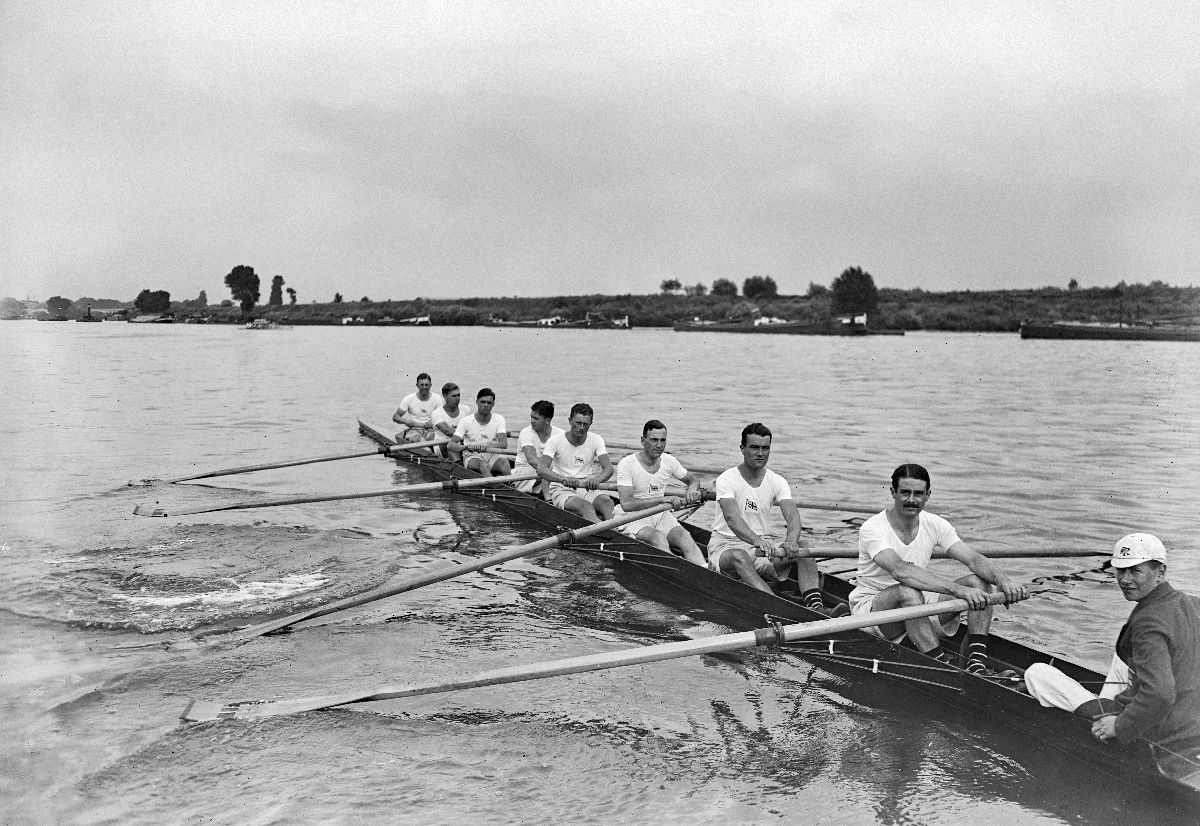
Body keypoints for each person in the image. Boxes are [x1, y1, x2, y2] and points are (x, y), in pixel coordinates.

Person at [1024, 534, 1200, 759]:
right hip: (1191, 726)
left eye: (1135, 571)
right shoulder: (1193, 604)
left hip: (1156, 731)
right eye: (1120, 570)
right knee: (1123, 653)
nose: (1125, 580)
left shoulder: (1149, 620)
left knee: (1036, 673)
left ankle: (1104, 716)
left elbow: (1161, 695)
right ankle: (1103, 704)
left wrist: (1120, 726)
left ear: (1161, 572)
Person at [849, 463, 1027, 673]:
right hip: (872, 611)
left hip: (916, 601)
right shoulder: (873, 528)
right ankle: (942, 667)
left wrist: (1003, 581)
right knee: (909, 591)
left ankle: (976, 663)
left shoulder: (935, 523)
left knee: (978, 582)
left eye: (918, 494)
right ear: (893, 493)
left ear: (928, 495)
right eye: (905, 492)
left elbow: (973, 559)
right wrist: (957, 590)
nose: (912, 500)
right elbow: (900, 571)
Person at [708, 423, 830, 609]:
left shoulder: (777, 481)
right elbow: (733, 520)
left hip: (759, 550)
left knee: (805, 547)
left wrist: (790, 541)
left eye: (765, 448)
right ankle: (778, 608)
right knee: (740, 556)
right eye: (754, 447)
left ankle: (816, 607)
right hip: (725, 547)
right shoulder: (727, 478)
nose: (760, 453)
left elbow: (793, 516)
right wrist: (757, 540)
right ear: (742, 449)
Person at [613, 420, 705, 566]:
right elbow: (626, 504)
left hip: (660, 514)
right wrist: (662, 500)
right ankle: (677, 572)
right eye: (654, 440)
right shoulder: (627, 464)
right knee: (658, 537)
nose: (659, 445)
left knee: (685, 537)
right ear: (643, 441)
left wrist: (693, 489)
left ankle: (704, 571)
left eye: (663, 440)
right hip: (632, 517)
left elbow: (692, 479)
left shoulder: (668, 461)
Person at [538, 402, 615, 522]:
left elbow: (609, 469)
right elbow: (541, 469)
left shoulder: (596, 439)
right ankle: (608, 535)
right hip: (561, 487)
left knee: (608, 503)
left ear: (591, 424)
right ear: (570, 421)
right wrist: (562, 479)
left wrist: (597, 480)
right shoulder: (555, 441)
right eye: (578, 423)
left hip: (586, 486)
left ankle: (617, 531)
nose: (582, 428)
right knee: (585, 506)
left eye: (586, 424)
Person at [449, 388, 511, 476]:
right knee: (484, 465)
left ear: (493, 404)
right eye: (483, 402)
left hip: (491, 453)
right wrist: (467, 447)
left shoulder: (499, 419)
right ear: (477, 402)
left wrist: (485, 446)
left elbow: (504, 444)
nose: (486, 405)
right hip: (472, 455)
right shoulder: (466, 421)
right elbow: (451, 445)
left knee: (504, 463)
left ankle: (512, 486)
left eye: (489, 403)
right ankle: (493, 487)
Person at [511, 400, 563, 497]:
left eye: (536, 418)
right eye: (531, 417)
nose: (532, 421)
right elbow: (532, 461)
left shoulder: (560, 434)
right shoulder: (526, 432)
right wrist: (561, 477)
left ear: (547, 420)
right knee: (550, 468)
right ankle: (548, 496)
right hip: (524, 474)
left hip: (549, 474)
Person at [392, 373, 443, 446]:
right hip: (414, 430)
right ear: (417, 385)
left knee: (436, 441)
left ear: (430, 385)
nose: (424, 387)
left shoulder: (437, 398)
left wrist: (433, 421)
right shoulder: (409, 399)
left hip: (431, 430)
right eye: (421, 385)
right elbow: (395, 417)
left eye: (426, 385)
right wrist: (405, 421)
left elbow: (442, 416)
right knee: (422, 441)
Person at [431, 382, 471, 457]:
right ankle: (458, 463)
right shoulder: (436, 413)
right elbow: (448, 431)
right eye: (454, 396)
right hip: (442, 444)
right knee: (451, 446)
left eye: (459, 395)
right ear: (445, 396)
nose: (457, 398)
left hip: (461, 442)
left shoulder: (466, 409)